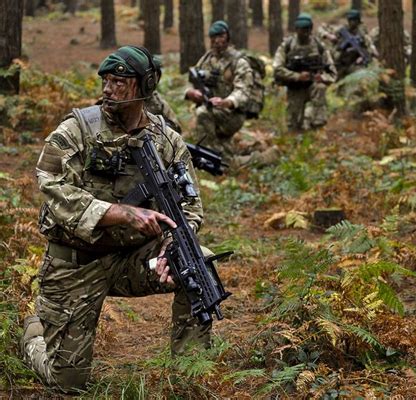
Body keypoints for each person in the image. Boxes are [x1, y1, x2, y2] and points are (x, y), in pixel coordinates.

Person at [22, 45, 213, 393]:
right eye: (106, 81)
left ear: (145, 86)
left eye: (120, 82)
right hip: (76, 265)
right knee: (68, 383)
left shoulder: (166, 141)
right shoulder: (78, 129)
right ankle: (35, 335)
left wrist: (172, 242)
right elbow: (50, 183)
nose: (108, 89)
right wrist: (119, 212)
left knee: (195, 260)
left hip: (134, 261)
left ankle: (189, 373)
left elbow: (191, 205)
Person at [184, 20, 254, 162]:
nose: (217, 41)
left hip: (232, 114)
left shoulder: (238, 62)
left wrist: (227, 102)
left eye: (221, 36)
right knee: (226, 155)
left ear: (228, 36)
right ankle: (222, 156)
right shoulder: (206, 60)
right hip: (211, 109)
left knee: (202, 114)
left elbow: (244, 90)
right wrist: (191, 93)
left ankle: (209, 159)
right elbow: (192, 81)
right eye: (214, 37)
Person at [273, 12, 337, 132]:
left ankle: (317, 125)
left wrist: (322, 77)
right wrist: (297, 76)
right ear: (296, 29)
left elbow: (332, 72)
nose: (305, 32)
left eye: (307, 29)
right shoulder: (287, 46)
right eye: (302, 29)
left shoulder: (319, 46)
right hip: (295, 87)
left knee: (320, 88)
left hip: (313, 86)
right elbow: (277, 69)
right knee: (294, 125)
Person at [333, 9, 375, 80]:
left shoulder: (362, 32)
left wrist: (362, 56)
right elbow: (336, 47)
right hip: (341, 61)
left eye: (354, 20)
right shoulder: (342, 30)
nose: (352, 22)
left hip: (354, 63)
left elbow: (368, 46)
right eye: (350, 20)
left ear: (358, 21)